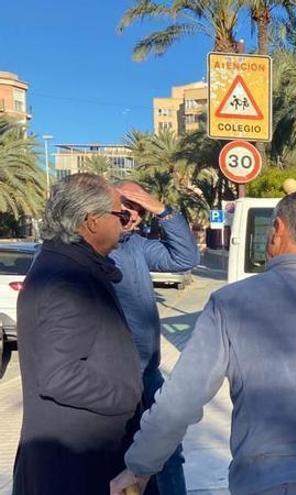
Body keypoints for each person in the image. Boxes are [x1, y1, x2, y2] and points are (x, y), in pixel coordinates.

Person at [111, 192, 296, 495]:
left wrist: (139, 467)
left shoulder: (229, 303)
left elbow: (181, 399)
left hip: (263, 480)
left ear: (277, 229)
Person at [13, 173, 143, 494]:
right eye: (121, 215)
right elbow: (60, 376)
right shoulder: (68, 280)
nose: (125, 224)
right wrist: (129, 397)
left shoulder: (67, 266)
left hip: (76, 459)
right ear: (92, 222)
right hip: (76, 466)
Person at [111, 181, 200, 495]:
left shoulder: (135, 246)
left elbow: (185, 259)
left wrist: (162, 210)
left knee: (167, 451)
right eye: (125, 206)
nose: (133, 216)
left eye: (138, 209)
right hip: (113, 376)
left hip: (147, 372)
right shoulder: (92, 251)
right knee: (117, 456)